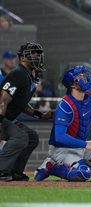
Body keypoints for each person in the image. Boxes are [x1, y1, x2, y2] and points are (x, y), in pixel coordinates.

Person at [0, 42, 53, 182]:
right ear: (23, 58)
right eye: (34, 53)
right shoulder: (18, 74)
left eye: (39, 54)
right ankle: (1, 170)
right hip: (1, 117)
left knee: (32, 137)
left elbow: (21, 104)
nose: (38, 57)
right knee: (21, 137)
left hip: (7, 118)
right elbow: (2, 100)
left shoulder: (30, 77)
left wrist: (39, 115)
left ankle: (15, 172)